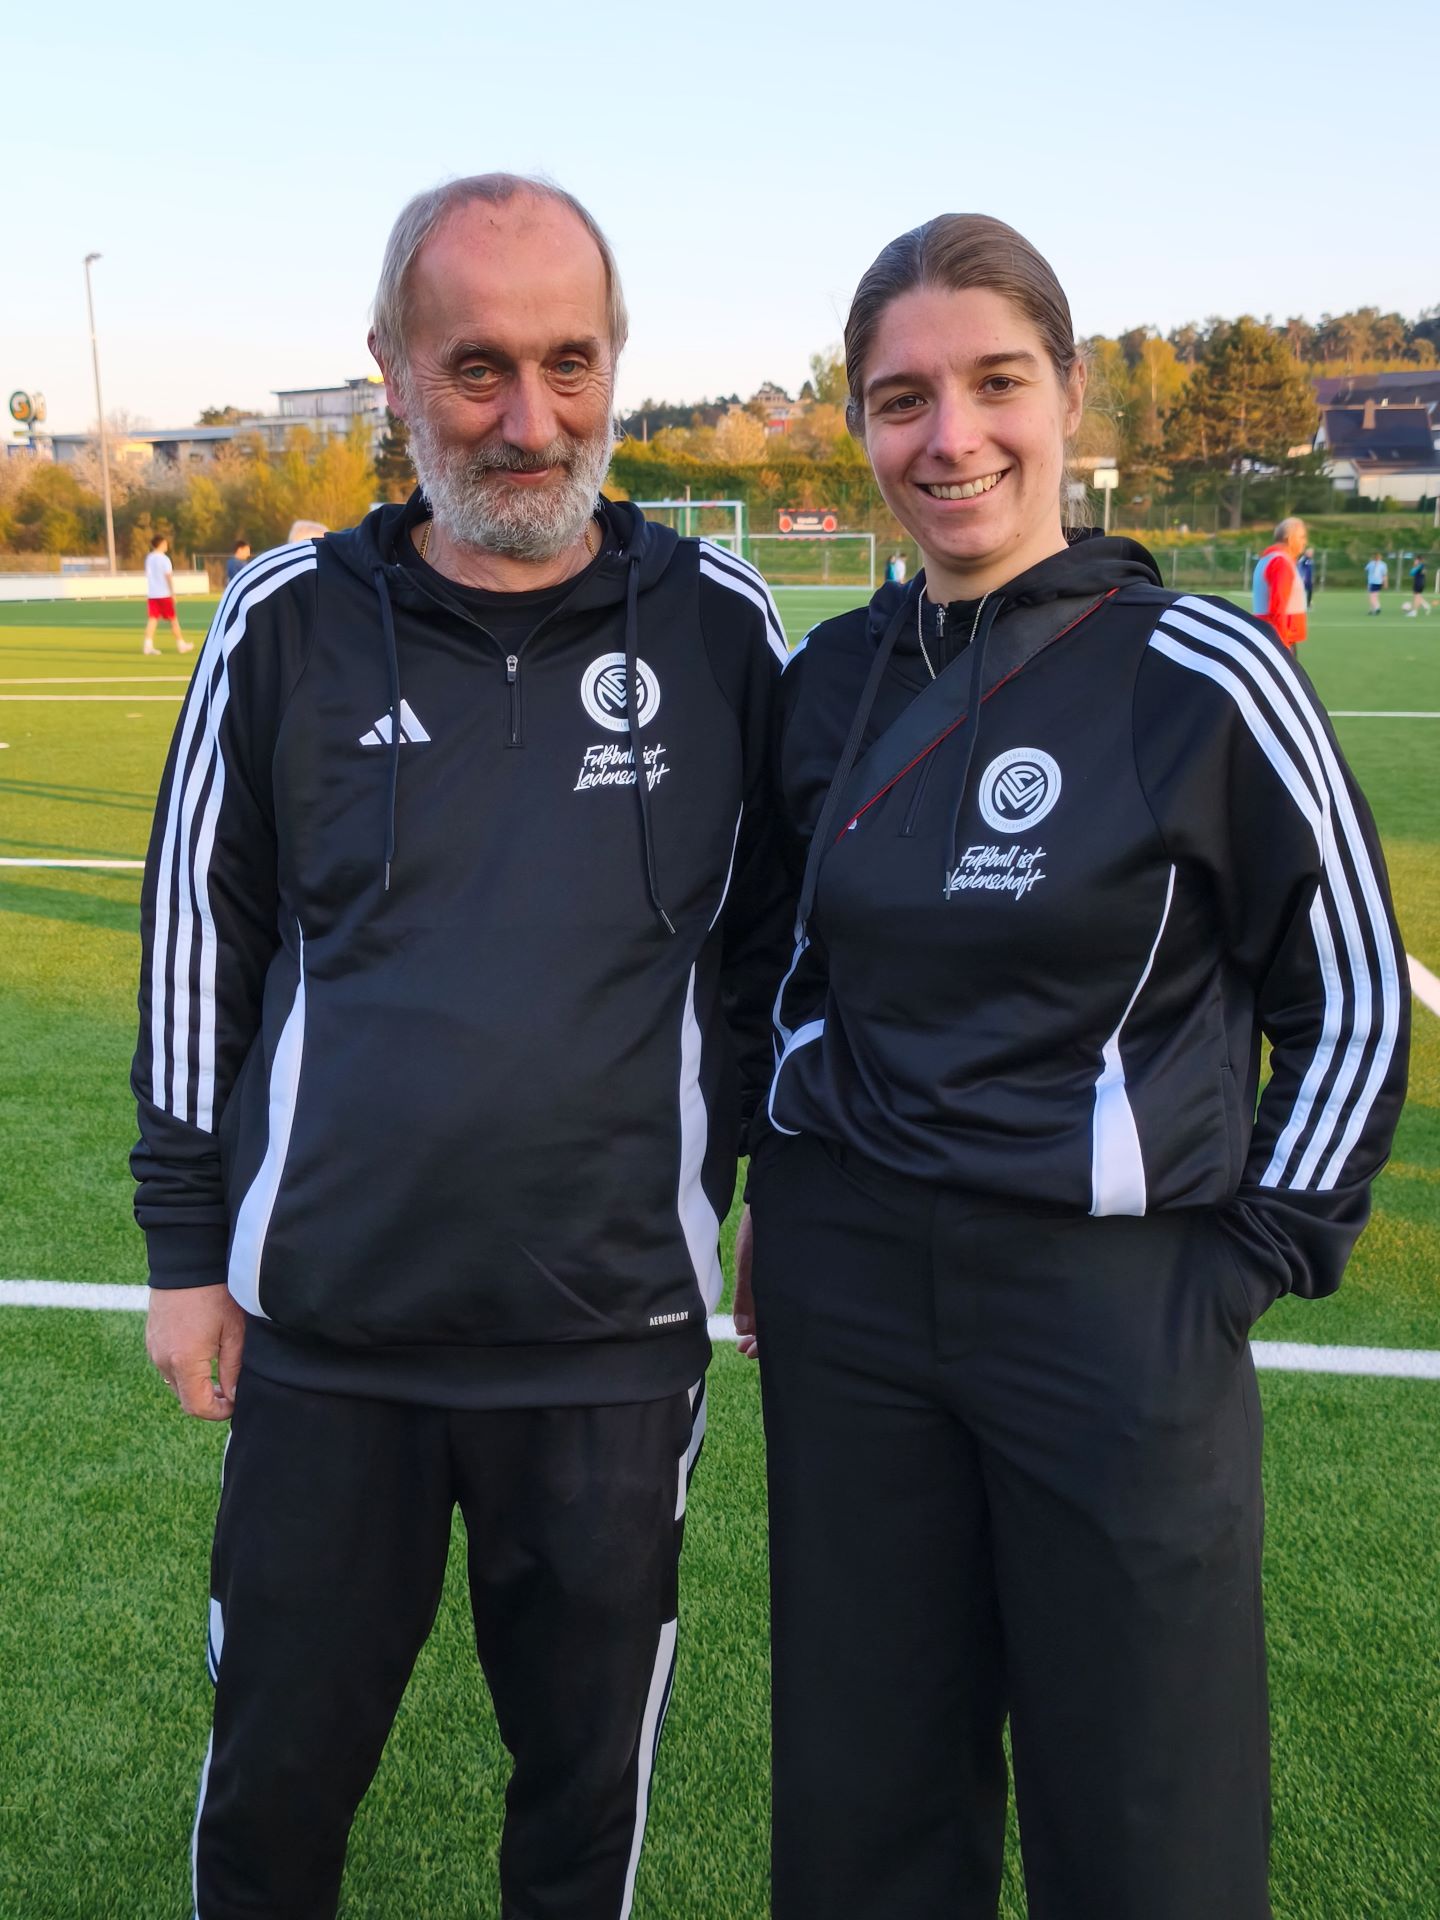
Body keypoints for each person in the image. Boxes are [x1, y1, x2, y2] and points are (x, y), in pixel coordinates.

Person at [735, 213, 1407, 1920]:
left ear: (1070, 395)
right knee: (865, 1800)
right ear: (862, 424)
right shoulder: (827, 687)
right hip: (853, 1304)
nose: (948, 438)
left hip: (1115, 1314)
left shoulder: (1202, 675)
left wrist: (1235, 1266)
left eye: (992, 383)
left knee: (1148, 1818)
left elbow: (1354, 1000)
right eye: (901, 399)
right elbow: (784, 971)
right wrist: (782, 1193)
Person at [133, 172, 789, 1920]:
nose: (527, 417)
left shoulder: (726, 635)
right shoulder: (281, 628)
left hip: (610, 1344)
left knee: (580, 1805)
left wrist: (778, 1192)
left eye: (569, 363)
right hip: (327, 1337)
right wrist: (190, 1256)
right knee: (275, 1778)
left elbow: (785, 962)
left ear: (618, 364)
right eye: (476, 365)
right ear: (389, 370)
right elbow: (203, 948)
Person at [1251, 515, 1308, 647]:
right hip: (1280, 637)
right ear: (1290, 538)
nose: (1304, 542)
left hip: (1272, 635)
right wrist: (1281, 645)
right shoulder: (1280, 562)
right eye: (1302, 537)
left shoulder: (1270, 558)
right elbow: (1278, 605)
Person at [141, 533, 192, 655]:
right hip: (164, 594)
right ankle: (181, 644)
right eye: (165, 543)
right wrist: (172, 592)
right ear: (161, 544)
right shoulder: (164, 559)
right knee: (173, 620)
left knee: (152, 620)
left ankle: (147, 645)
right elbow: (168, 576)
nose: (167, 545)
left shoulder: (149, 558)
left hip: (153, 594)